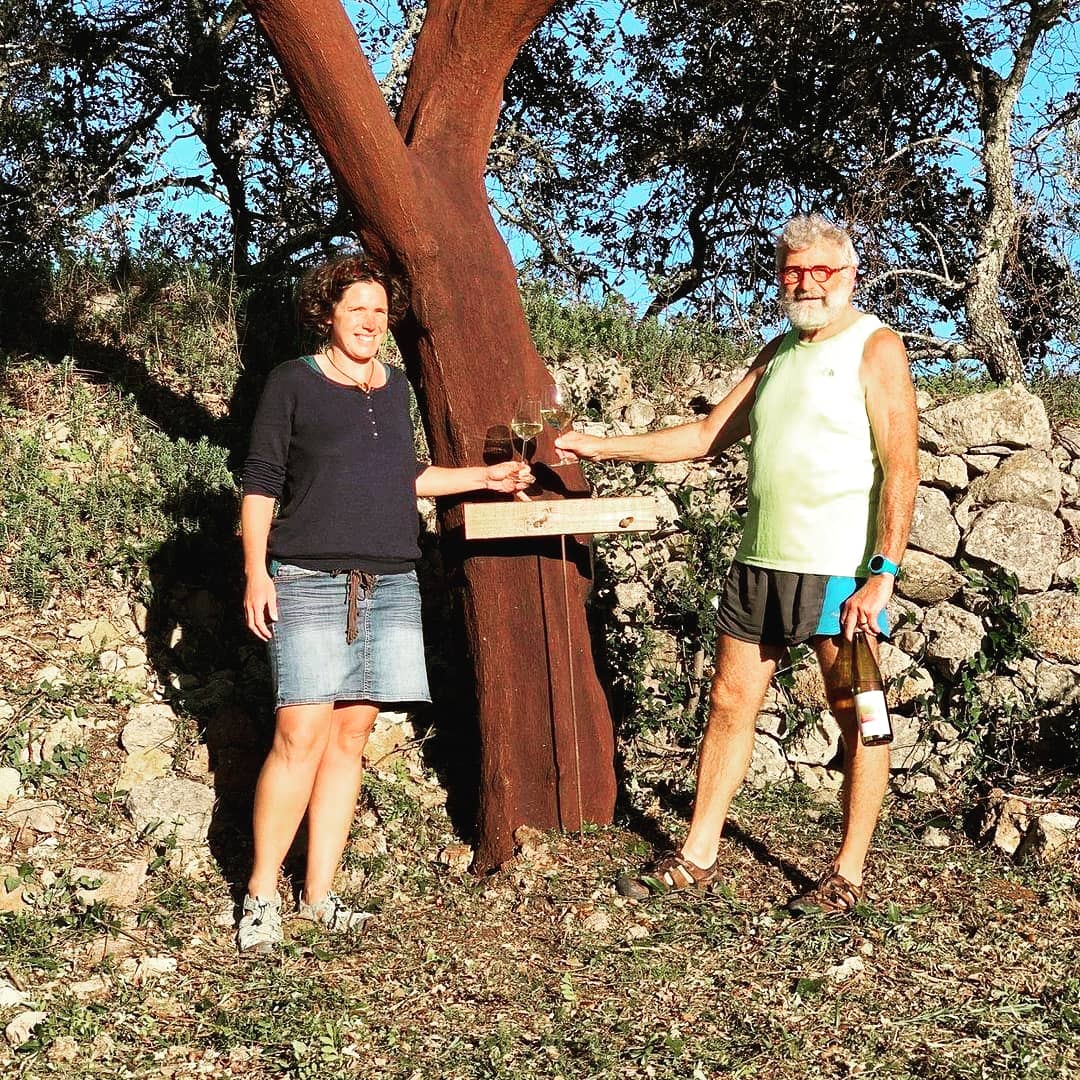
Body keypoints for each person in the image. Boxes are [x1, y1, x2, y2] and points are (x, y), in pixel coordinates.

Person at [556, 214, 918, 914]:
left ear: (849, 275)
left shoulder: (876, 347)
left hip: (839, 573)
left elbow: (902, 467)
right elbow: (704, 434)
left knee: (860, 713)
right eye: (793, 271)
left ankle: (846, 874)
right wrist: (598, 446)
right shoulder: (777, 352)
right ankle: (697, 856)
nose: (806, 284)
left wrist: (883, 573)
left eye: (821, 271)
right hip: (759, 564)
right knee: (728, 703)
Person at [238, 254, 532, 954]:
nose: (370, 321)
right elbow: (261, 482)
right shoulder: (292, 382)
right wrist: (256, 573)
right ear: (327, 314)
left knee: (350, 737)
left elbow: (406, 475)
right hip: (309, 578)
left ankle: (319, 895)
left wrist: (485, 479)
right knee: (299, 736)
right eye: (356, 308)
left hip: (391, 581)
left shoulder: (394, 386)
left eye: (379, 310)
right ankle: (260, 896)